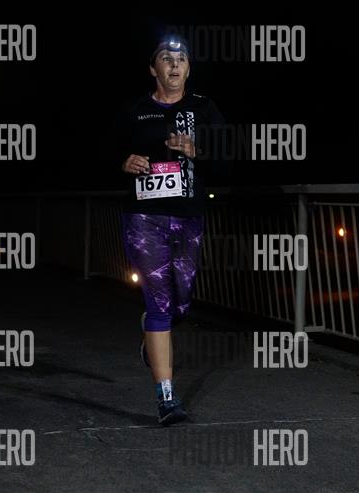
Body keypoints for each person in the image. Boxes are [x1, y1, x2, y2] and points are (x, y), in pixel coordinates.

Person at [118, 36, 224, 426]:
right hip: (144, 218)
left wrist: (199, 150)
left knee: (181, 302)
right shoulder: (136, 111)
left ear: (188, 69)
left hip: (188, 216)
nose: (175, 65)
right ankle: (166, 398)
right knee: (159, 302)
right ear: (154, 68)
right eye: (166, 58)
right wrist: (123, 162)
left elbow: (231, 156)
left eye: (181, 59)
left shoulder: (203, 108)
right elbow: (103, 152)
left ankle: (150, 336)